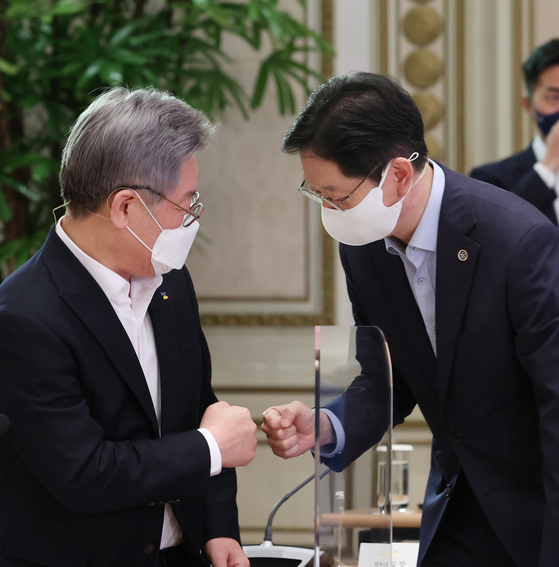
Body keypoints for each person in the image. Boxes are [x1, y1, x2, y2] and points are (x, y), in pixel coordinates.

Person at [261, 72, 559, 567]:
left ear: (399, 174)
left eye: (337, 196)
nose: (330, 213)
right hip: (458, 510)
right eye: (317, 196)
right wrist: (327, 425)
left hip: (538, 510)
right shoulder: (364, 248)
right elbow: (387, 381)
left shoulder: (518, 242)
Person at [0, 87, 257, 567]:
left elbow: (200, 409)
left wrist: (220, 526)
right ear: (124, 208)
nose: (192, 219)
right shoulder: (23, 318)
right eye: (185, 204)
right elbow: (84, 473)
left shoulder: (170, 282)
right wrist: (211, 449)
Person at [470, 38, 559, 225]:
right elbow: (497, 231)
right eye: (554, 97)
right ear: (529, 106)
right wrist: (548, 165)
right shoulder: (491, 180)